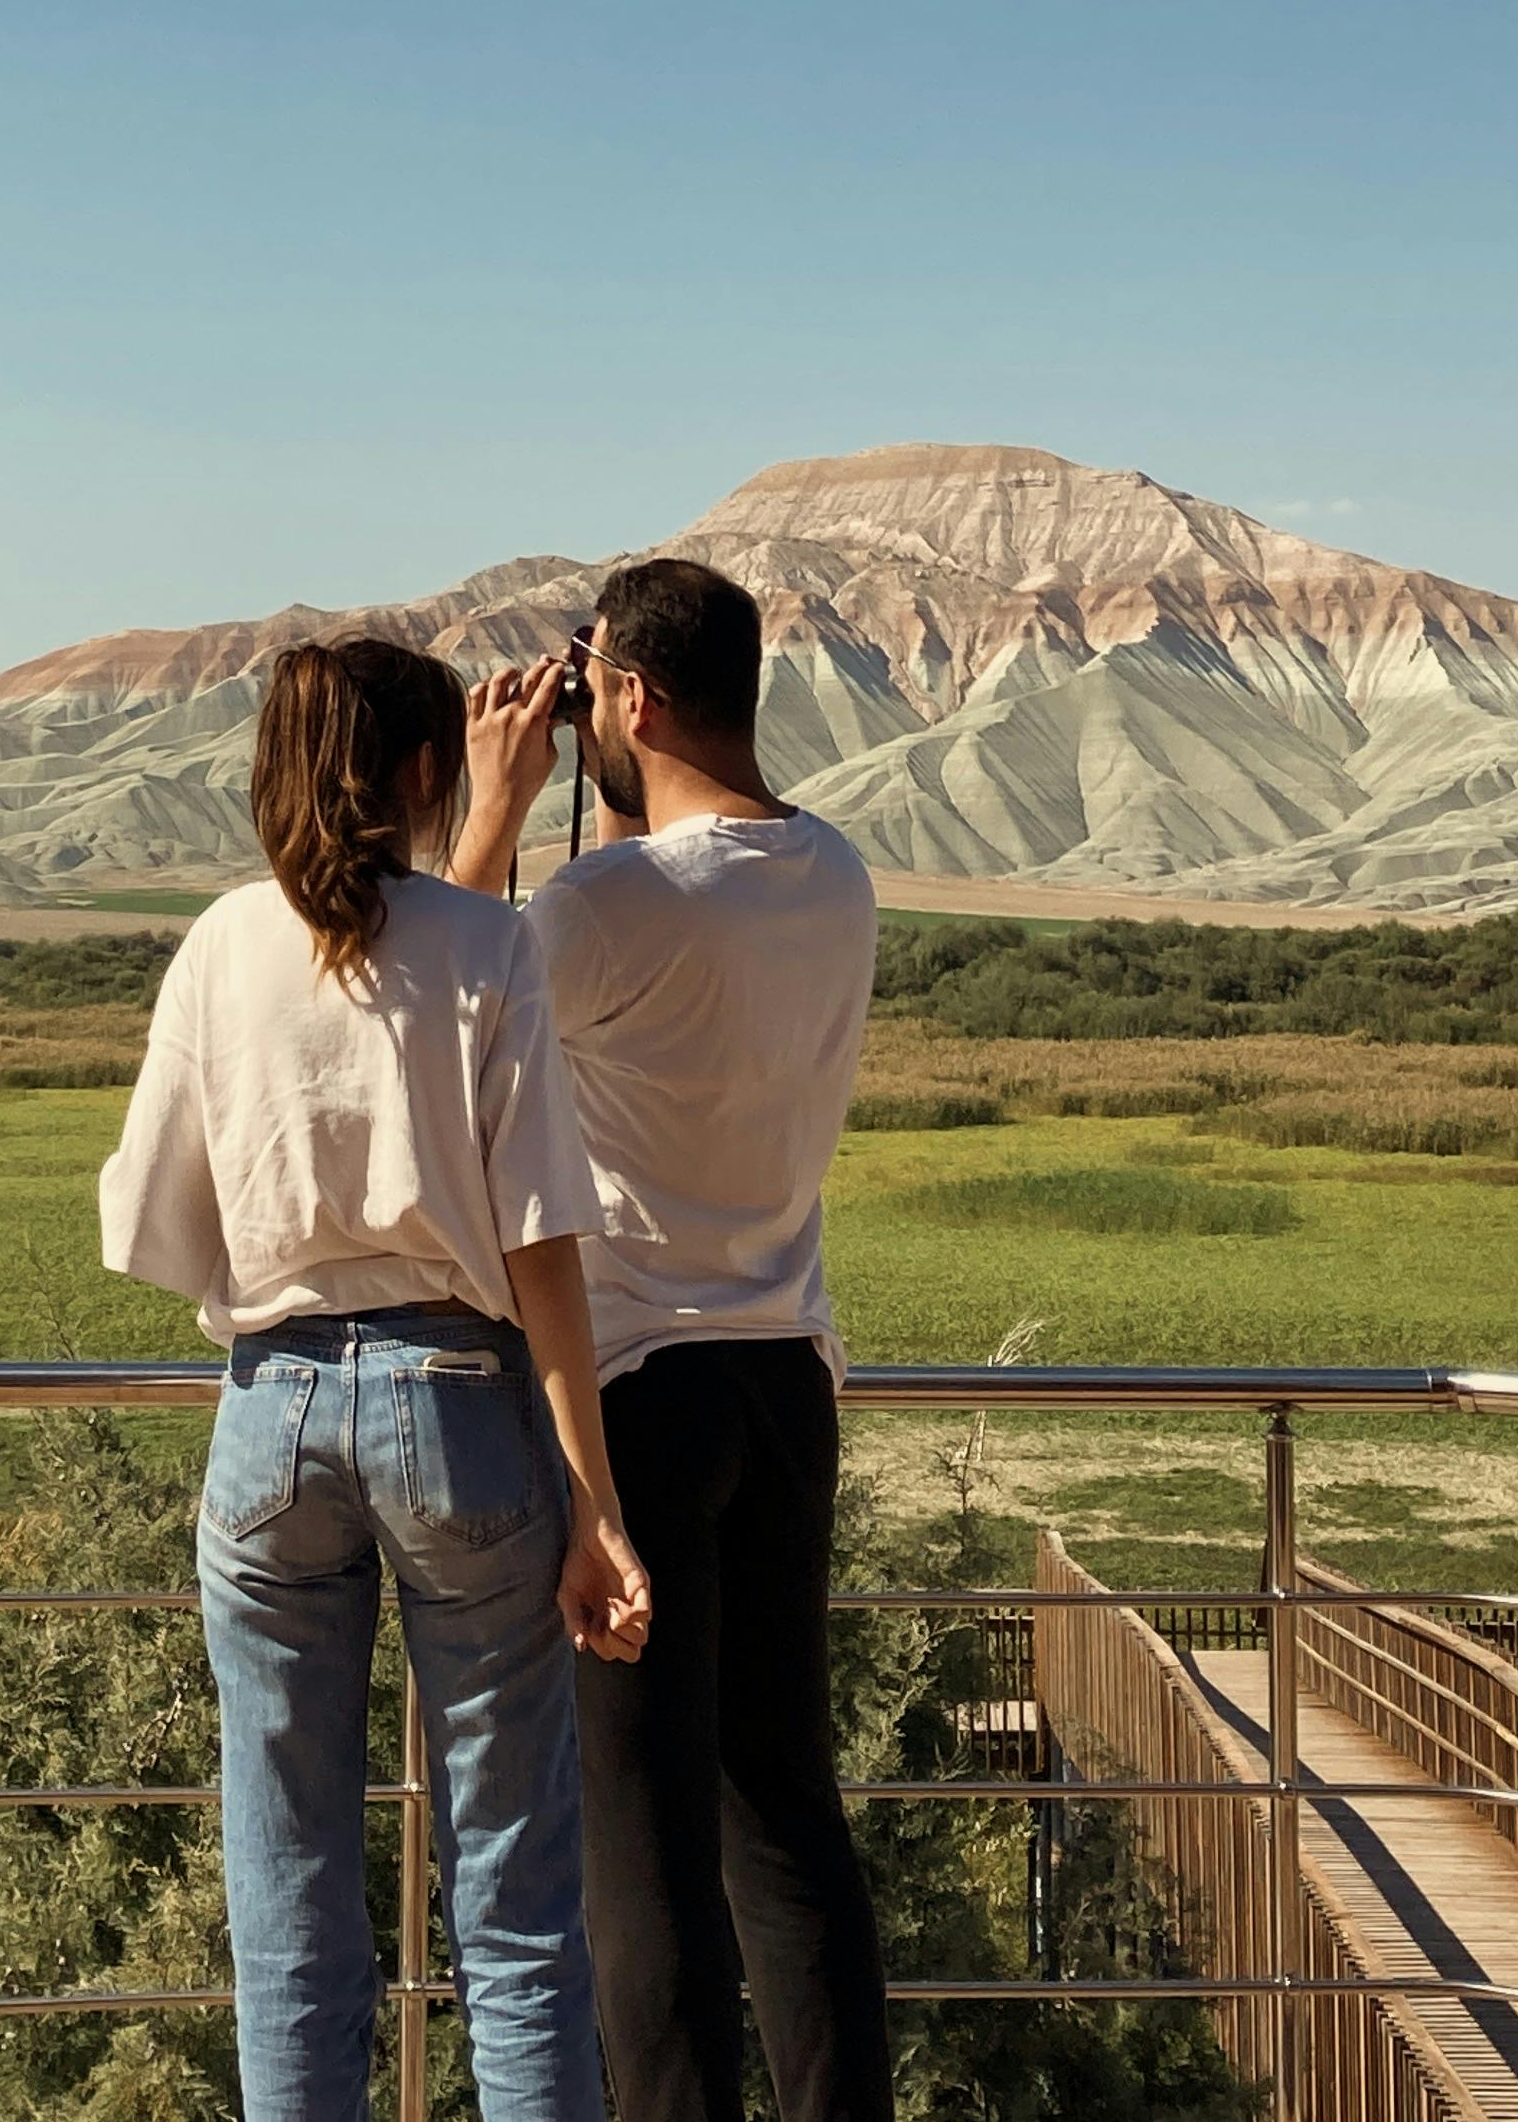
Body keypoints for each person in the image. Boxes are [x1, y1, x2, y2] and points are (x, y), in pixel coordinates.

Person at [100, 634, 654, 2122]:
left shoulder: (219, 945)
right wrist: (594, 1510)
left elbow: (148, 1212)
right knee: (518, 1905)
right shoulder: (491, 951)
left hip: (269, 1416)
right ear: (427, 772)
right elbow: (543, 1241)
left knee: (287, 1898)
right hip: (463, 1415)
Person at [452, 558, 891, 2122]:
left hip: (638, 1401)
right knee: (786, 1825)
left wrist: (505, 801)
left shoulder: (593, 907)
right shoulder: (837, 874)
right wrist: (620, 775)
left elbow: (451, 1019)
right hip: (790, 1383)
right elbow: (680, 897)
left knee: (642, 1850)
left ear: (623, 697)